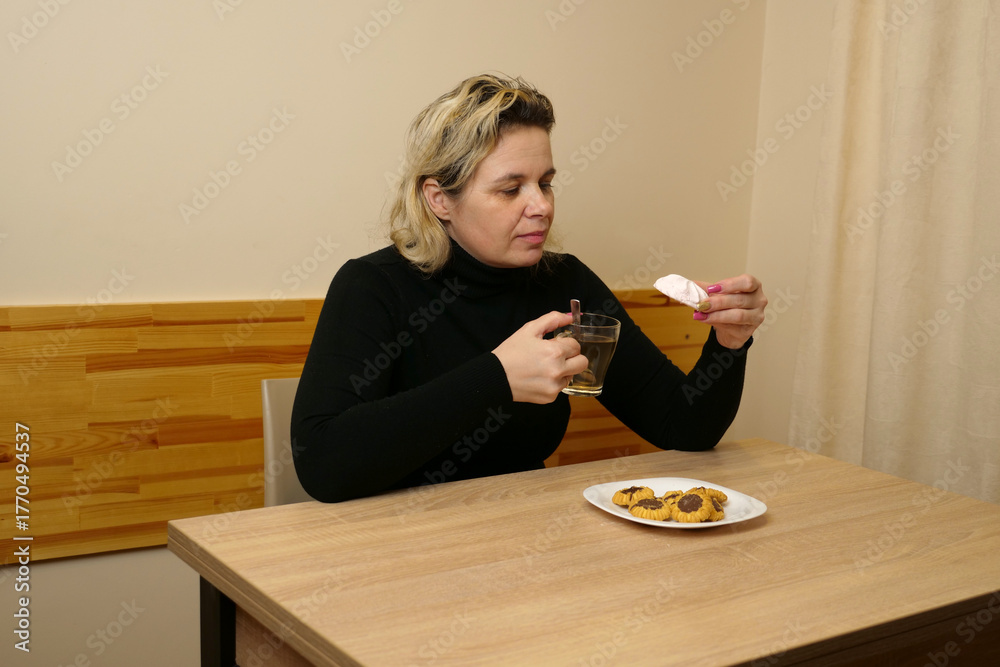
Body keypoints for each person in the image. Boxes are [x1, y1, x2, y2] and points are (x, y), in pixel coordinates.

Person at [291, 74, 767, 503]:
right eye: (510, 188)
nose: (541, 206)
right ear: (439, 200)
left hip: (527, 534)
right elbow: (323, 465)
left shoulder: (565, 283)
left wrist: (729, 344)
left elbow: (684, 426)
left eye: (546, 183)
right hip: (393, 542)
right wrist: (495, 378)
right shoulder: (373, 286)